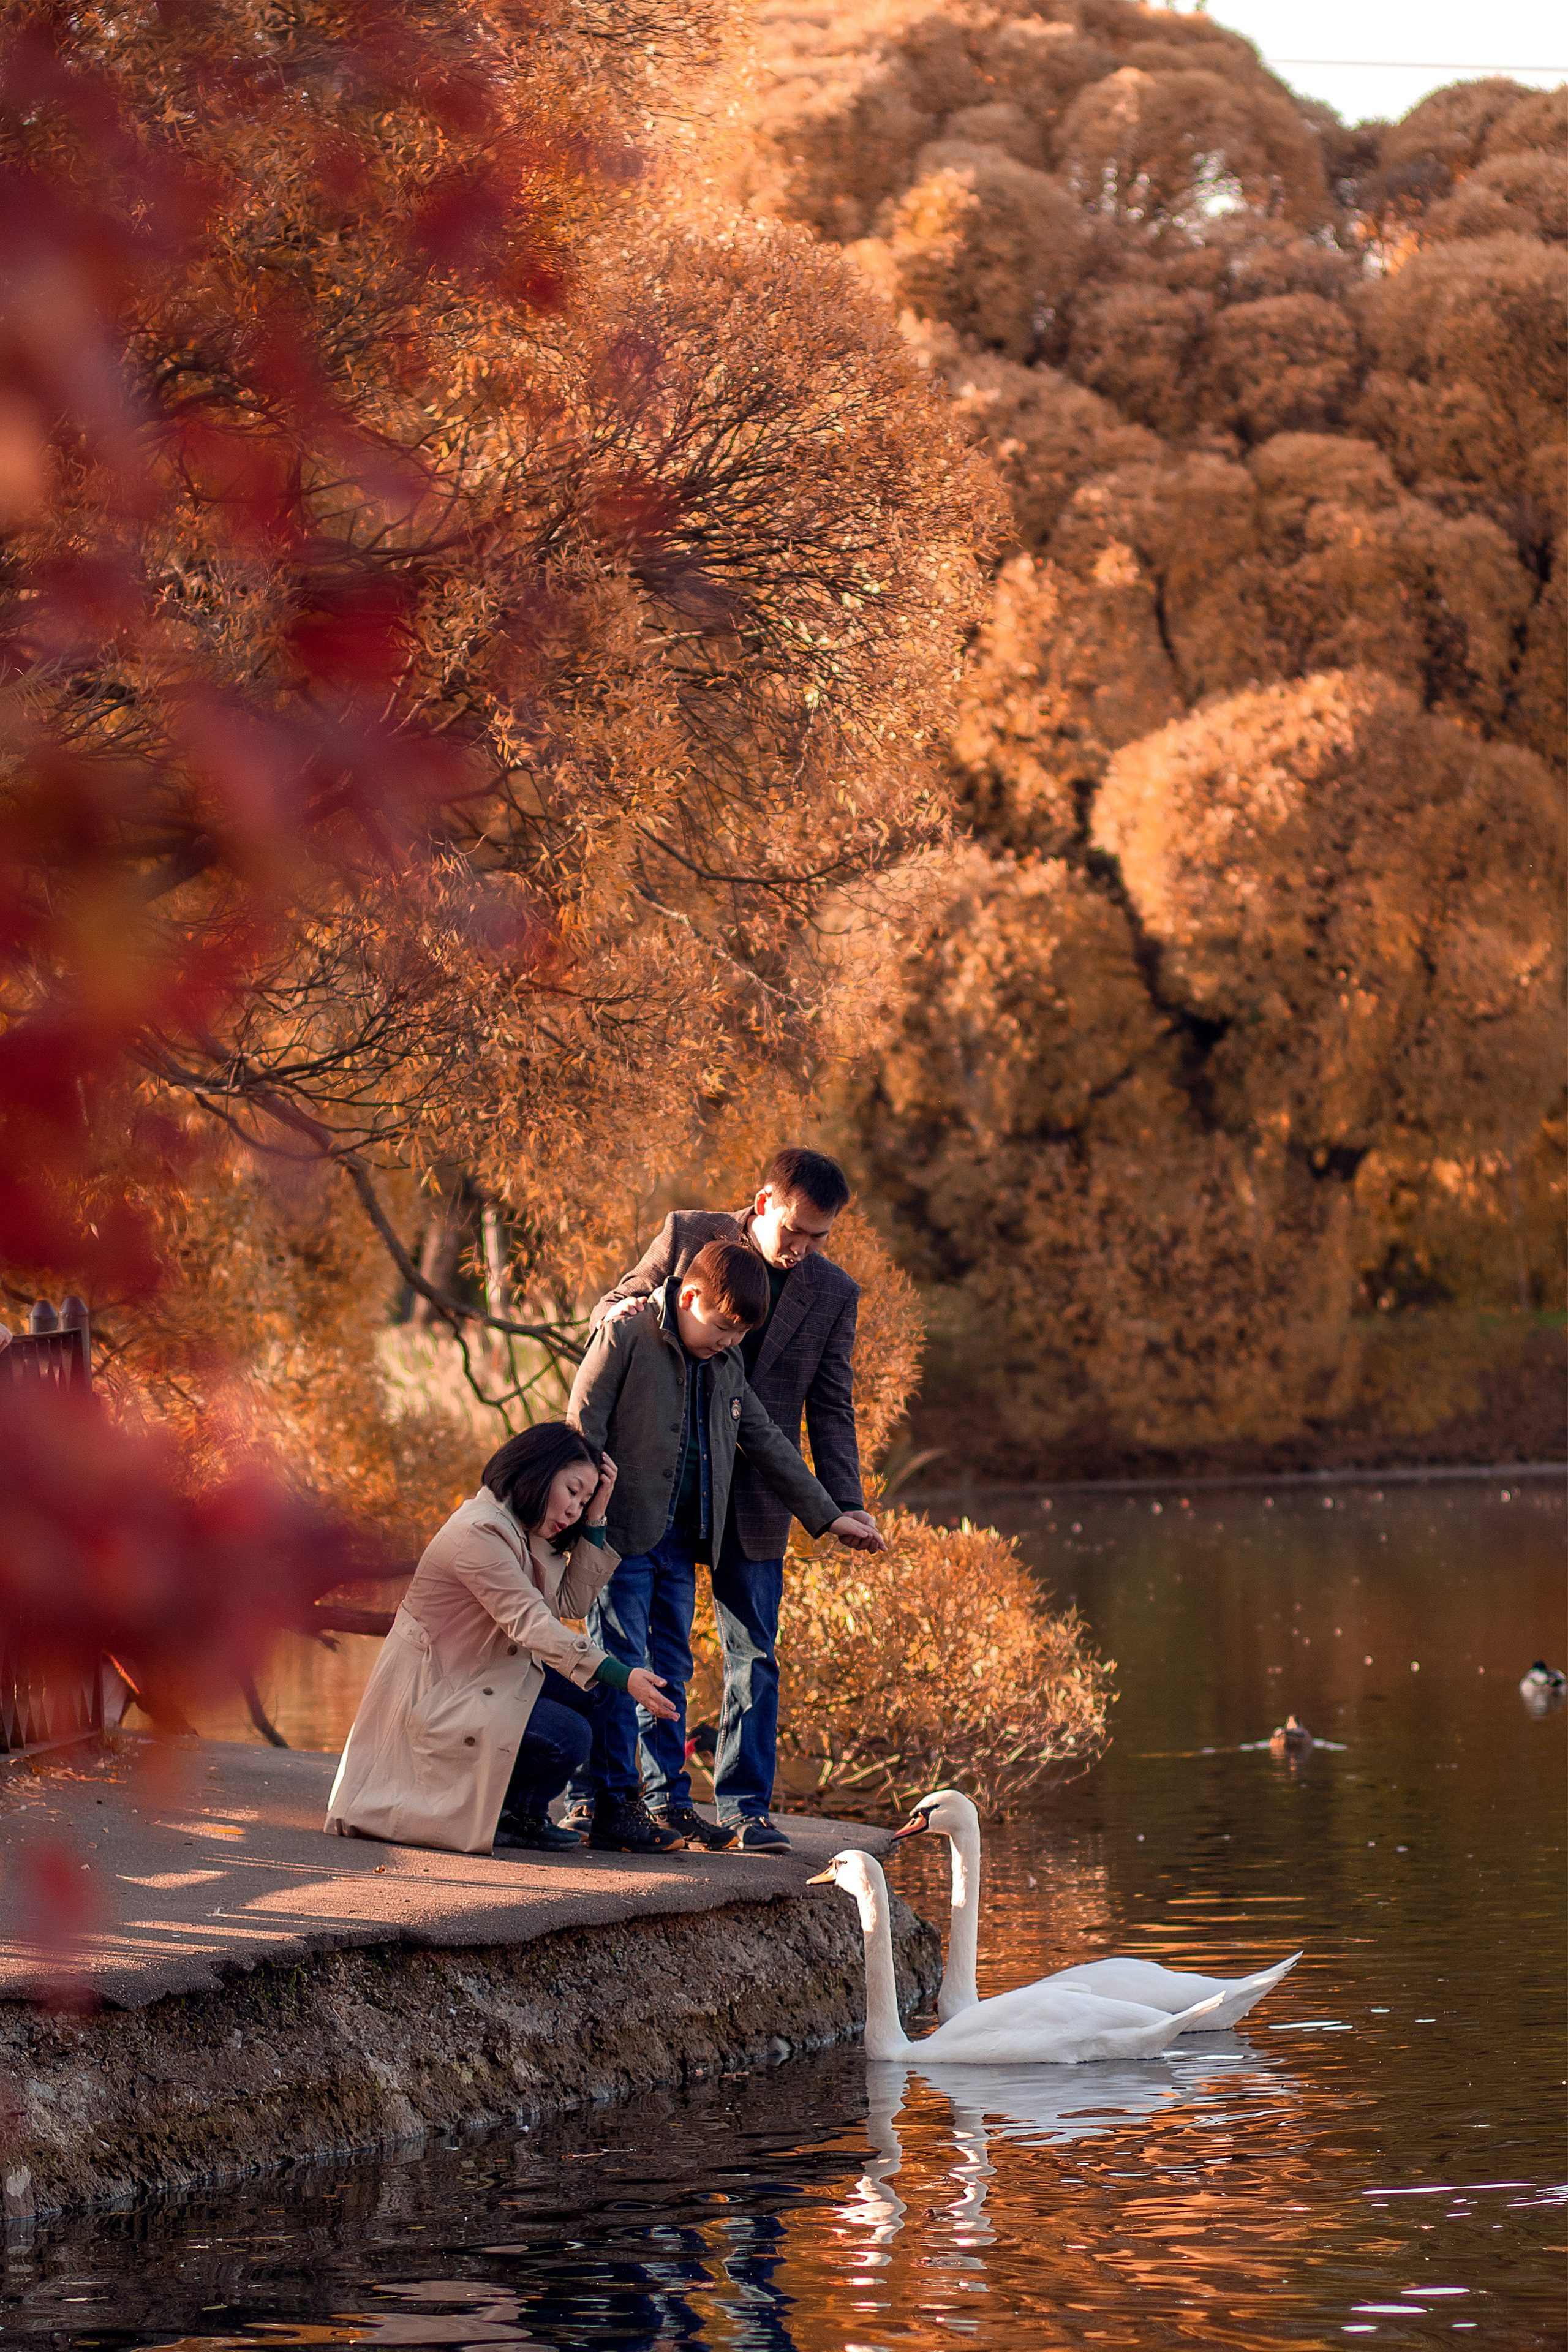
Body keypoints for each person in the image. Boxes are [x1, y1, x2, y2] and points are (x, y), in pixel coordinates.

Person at [588, 1146, 879, 1852]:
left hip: (757, 1492)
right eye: (795, 1231)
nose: (803, 1249)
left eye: (819, 1238)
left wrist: (842, 1503)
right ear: (764, 1203)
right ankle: (633, 1800)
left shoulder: (833, 1293)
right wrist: (621, 1310)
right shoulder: (688, 1234)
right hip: (659, 1486)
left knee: (753, 1653)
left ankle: (745, 1809)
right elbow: (614, 1314)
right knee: (640, 1646)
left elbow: (830, 1407)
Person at [325, 1425, 677, 1855]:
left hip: (484, 1673)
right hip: (441, 1690)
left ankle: (561, 1813)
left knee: (601, 1691)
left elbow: (571, 1602)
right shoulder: (479, 1532)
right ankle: (516, 1815)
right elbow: (531, 1623)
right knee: (570, 1734)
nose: (574, 1509)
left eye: (584, 1500)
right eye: (572, 1491)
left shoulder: (528, 1532)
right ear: (539, 1471)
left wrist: (596, 1517)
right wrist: (624, 1674)